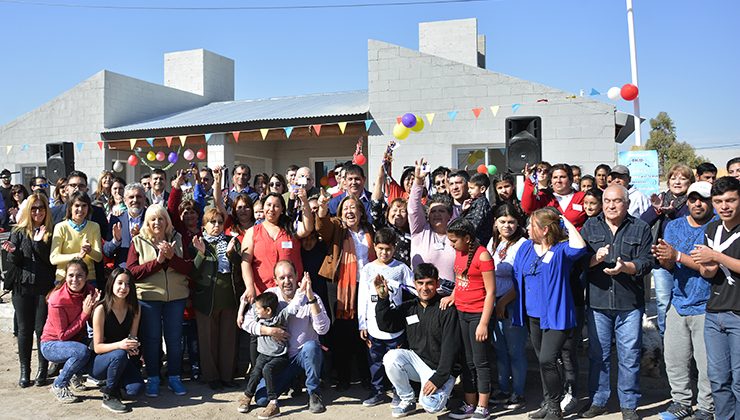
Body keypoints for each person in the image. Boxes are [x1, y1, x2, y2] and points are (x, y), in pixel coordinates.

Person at [580, 185, 653, 420]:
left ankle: (629, 404)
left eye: (617, 201)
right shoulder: (590, 226)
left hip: (629, 302)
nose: (611, 205)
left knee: (629, 355)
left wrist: (626, 267)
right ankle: (599, 400)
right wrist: (594, 258)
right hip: (598, 301)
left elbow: (646, 262)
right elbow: (577, 262)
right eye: (607, 200)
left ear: (627, 203)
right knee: (597, 354)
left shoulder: (640, 227)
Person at [510, 208, 586, 420]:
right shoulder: (525, 247)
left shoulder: (561, 249)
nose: (526, 228)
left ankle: (555, 408)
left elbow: (579, 247)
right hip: (532, 314)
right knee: (544, 362)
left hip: (556, 315)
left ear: (544, 230)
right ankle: (548, 402)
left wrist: (565, 221)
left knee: (547, 360)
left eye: (531, 225)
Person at [652, 181, 715, 420]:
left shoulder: (717, 226)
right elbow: (670, 266)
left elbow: (710, 267)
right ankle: (681, 402)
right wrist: (665, 258)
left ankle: (707, 407)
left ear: (710, 202)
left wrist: (677, 255)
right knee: (675, 358)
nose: (697, 203)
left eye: (703, 199)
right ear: (686, 201)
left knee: (706, 363)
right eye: (692, 199)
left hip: (708, 304)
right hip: (678, 301)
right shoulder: (675, 226)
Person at [241, 260, 330, 414]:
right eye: (282, 278)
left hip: (301, 355)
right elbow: (246, 322)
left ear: (297, 277)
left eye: (290, 276)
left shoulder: (311, 296)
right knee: (262, 399)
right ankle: (290, 382)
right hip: (278, 360)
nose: (287, 281)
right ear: (276, 280)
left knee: (312, 347)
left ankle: (314, 393)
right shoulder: (270, 296)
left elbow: (323, 329)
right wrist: (269, 331)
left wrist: (311, 299)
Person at [373, 263, 459, 417]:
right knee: (391, 357)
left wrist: (439, 378)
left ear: (437, 283)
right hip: (417, 362)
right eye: (420, 283)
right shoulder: (410, 307)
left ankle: (447, 388)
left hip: (440, 369)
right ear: (414, 284)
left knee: (431, 407)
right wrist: (383, 299)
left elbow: (451, 347)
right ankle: (407, 400)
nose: (425, 288)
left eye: (429, 283)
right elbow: (387, 325)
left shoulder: (446, 308)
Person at [126, 204, 192, 397]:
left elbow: (189, 269)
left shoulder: (178, 239)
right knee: (152, 340)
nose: (157, 223)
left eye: (161, 218)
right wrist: (159, 262)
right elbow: (132, 272)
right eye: (153, 219)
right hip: (148, 298)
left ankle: (174, 378)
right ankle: (153, 377)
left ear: (167, 222)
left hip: (176, 298)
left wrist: (172, 258)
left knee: (174, 340)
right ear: (147, 222)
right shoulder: (137, 241)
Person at [689, 176, 740, 419]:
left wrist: (716, 257)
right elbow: (708, 272)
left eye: (730, 200)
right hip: (715, 313)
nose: (724, 206)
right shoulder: (712, 228)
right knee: (718, 380)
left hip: (739, 315)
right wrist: (705, 264)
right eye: (719, 201)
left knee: (739, 383)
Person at [317, 192, 375, 389]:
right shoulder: (337, 228)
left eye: (354, 208)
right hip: (341, 287)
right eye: (346, 208)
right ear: (341, 213)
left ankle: (366, 377)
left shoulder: (369, 231)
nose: (350, 211)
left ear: (361, 212)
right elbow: (322, 227)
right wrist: (323, 208)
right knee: (342, 334)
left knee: (364, 332)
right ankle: (343, 378)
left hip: (366, 287)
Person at [443, 218, 496, 420]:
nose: (451, 244)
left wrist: (483, 323)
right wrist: (453, 296)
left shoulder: (483, 256)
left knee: (480, 361)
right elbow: (460, 279)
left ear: (467, 238)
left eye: (454, 240)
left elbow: (491, 292)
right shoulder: (459, 252)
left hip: (477, 314)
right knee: (467, 361)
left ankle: (483, 406)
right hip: (461, 312)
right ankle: (470, 404)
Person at [358, 228, 415, 407]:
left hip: (394, 328)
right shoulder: (368, 269)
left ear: (394, 248)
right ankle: (378, 391)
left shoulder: (401, 268)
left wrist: (394, 286)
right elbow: (363, 297)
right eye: (381, 248)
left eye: (388, 249)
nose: (384, 253)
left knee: (396, 361)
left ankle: (399, 391)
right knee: (375, 362)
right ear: (375, 247)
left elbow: (413, 290)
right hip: (374, 327)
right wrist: (362, 324)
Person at [3, 192, 55, 387]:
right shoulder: (18, 231)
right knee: (24, 330)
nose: (37, 212)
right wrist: (14, 252)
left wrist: (38, 242)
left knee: (42, 330)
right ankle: (25, 371)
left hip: (44, 286)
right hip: (22, 286)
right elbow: (13, 262)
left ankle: (43, 369)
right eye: (34, 208)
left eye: (41, 208)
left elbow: (49, 260)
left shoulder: (51, 231)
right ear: (28, 210)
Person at [641, 163, 694, 335]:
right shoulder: (661, 198)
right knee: (663, 301)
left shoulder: (693, 201)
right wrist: (657, 210)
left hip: (686, 260)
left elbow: (689, 224)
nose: (677, 181)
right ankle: (666, 338)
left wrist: (673, 213)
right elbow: (642, 223)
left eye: (682, 178)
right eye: (673, 177)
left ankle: (685, 337)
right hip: (661, 261)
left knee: (685, 300)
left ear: (690, 182)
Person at [191, 208, 241, 390]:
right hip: (206, 300)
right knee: (208, 341)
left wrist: (232, 254)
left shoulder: (231, 241)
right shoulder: (198, 242)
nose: (217, 226)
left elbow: (240, 268)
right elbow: (192, 274)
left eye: (220, 222)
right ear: (204, 225)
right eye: (212, 222)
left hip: (229, 298)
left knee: (228, 340)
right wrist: (201, 254)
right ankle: (211, 377)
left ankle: (227, 377)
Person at [238, 287, 307, 417]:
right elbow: (245, 319)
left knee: (267, 370)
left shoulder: (280, 317)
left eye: (258, 308)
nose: (255, 310)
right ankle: (247, 396)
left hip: (279, 356)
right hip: (263, 355)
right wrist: (242, 306)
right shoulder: (258, 317)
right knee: (256, 371)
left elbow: (293, 306)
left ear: (268, 310)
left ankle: (273, 403)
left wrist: (301, 291)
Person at [486, 203, 528, 410]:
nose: (507, 226)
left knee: (515, 351)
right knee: (500, 350)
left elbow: (522, 280)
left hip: (513, 303)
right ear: (495, 223)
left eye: (511, 222)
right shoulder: (492, 244)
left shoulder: (523, 244)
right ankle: (503, 389)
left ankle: (518, 393)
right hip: (493, 302)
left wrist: (503, 301)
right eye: (502, 221)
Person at [40, 259, 99, 403]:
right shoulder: (57, 299)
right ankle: (59, 384)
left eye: (79, 276)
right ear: (65, 277)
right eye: (71, 275)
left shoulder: (90, 291)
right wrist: (85, 313)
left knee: (99, 344)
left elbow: (93, 324)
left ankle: (75, 375)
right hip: (52, 344)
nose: (75, 280)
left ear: (86, 277)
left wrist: (96, 307)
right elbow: (63, 336)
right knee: (81, 351)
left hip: (77, 340)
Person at [241, 191, 312, 303]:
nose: (272, 209)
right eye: (268, 205)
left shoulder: (291, 228)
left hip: (292, 293)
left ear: (282, 209)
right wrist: (250, 287)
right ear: (263, 207)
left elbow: (307, 229)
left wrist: (304, 202)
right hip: (264, 293)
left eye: (276, 206)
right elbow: (245, 262)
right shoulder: (252, 232)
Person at [90, 268, 144, 413]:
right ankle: (109, 395)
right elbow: (97, 348)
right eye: (119, 283)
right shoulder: (101, 309)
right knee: (119, 353)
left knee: (136, 389)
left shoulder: (135, 308)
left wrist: (133, 346)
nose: (123, 288)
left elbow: (133, 336)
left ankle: (113, 382)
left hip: (121, 359)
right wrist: (121, 345)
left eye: (127, 284)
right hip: (99, 362)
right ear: (111, 284)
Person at [408, 158, 456, 294]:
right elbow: (413, 209)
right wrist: (418, 182)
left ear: (449, 215)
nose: (436, 214)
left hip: (451, 298)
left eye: (441, 211)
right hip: (423, 296)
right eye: (433, 211)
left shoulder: (456, 236)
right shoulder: (420, 231)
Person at [50, 191, 103, 285]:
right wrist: (77, 256)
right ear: (70, 207)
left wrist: (89, 251)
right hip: (64, 278)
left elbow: (98, 257)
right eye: (77, 205)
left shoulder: (94, 226)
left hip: (88, 279)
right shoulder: (61, 227)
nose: (80, 209)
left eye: (84, 206)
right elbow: (54, 258)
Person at [371, 156, 411, 266]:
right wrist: (380, 177)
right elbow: (376, 203)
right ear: (387, 213)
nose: (398, 213)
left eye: (402, 211)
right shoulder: (382, 227)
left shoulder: (412, 231)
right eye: (395, 210)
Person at [522, 163, 587, 229]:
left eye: (562, 177)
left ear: (570, 179)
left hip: (576, 237)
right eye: (555, 177)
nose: (558, 181)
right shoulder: (544, 196)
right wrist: (529, 179)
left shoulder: (582, 197)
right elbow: (528, 208)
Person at [104, 183, 147, 269]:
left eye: (138, 197)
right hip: (123, 271)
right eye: (131, 197)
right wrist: (116, 240)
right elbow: (107, 251)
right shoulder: (116, 219)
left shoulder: (152, 218)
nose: (135, 200)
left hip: (146, 268)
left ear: (144, 199)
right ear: (125, 200)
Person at [460, 172, 494, 246]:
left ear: (482, 189)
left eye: (472, 188)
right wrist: (464, 211)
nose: (469, 191)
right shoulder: (475, 201)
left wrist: (464, 232)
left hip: (478, 242)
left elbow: (476, 223)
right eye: (469, 188)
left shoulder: (481, 203)